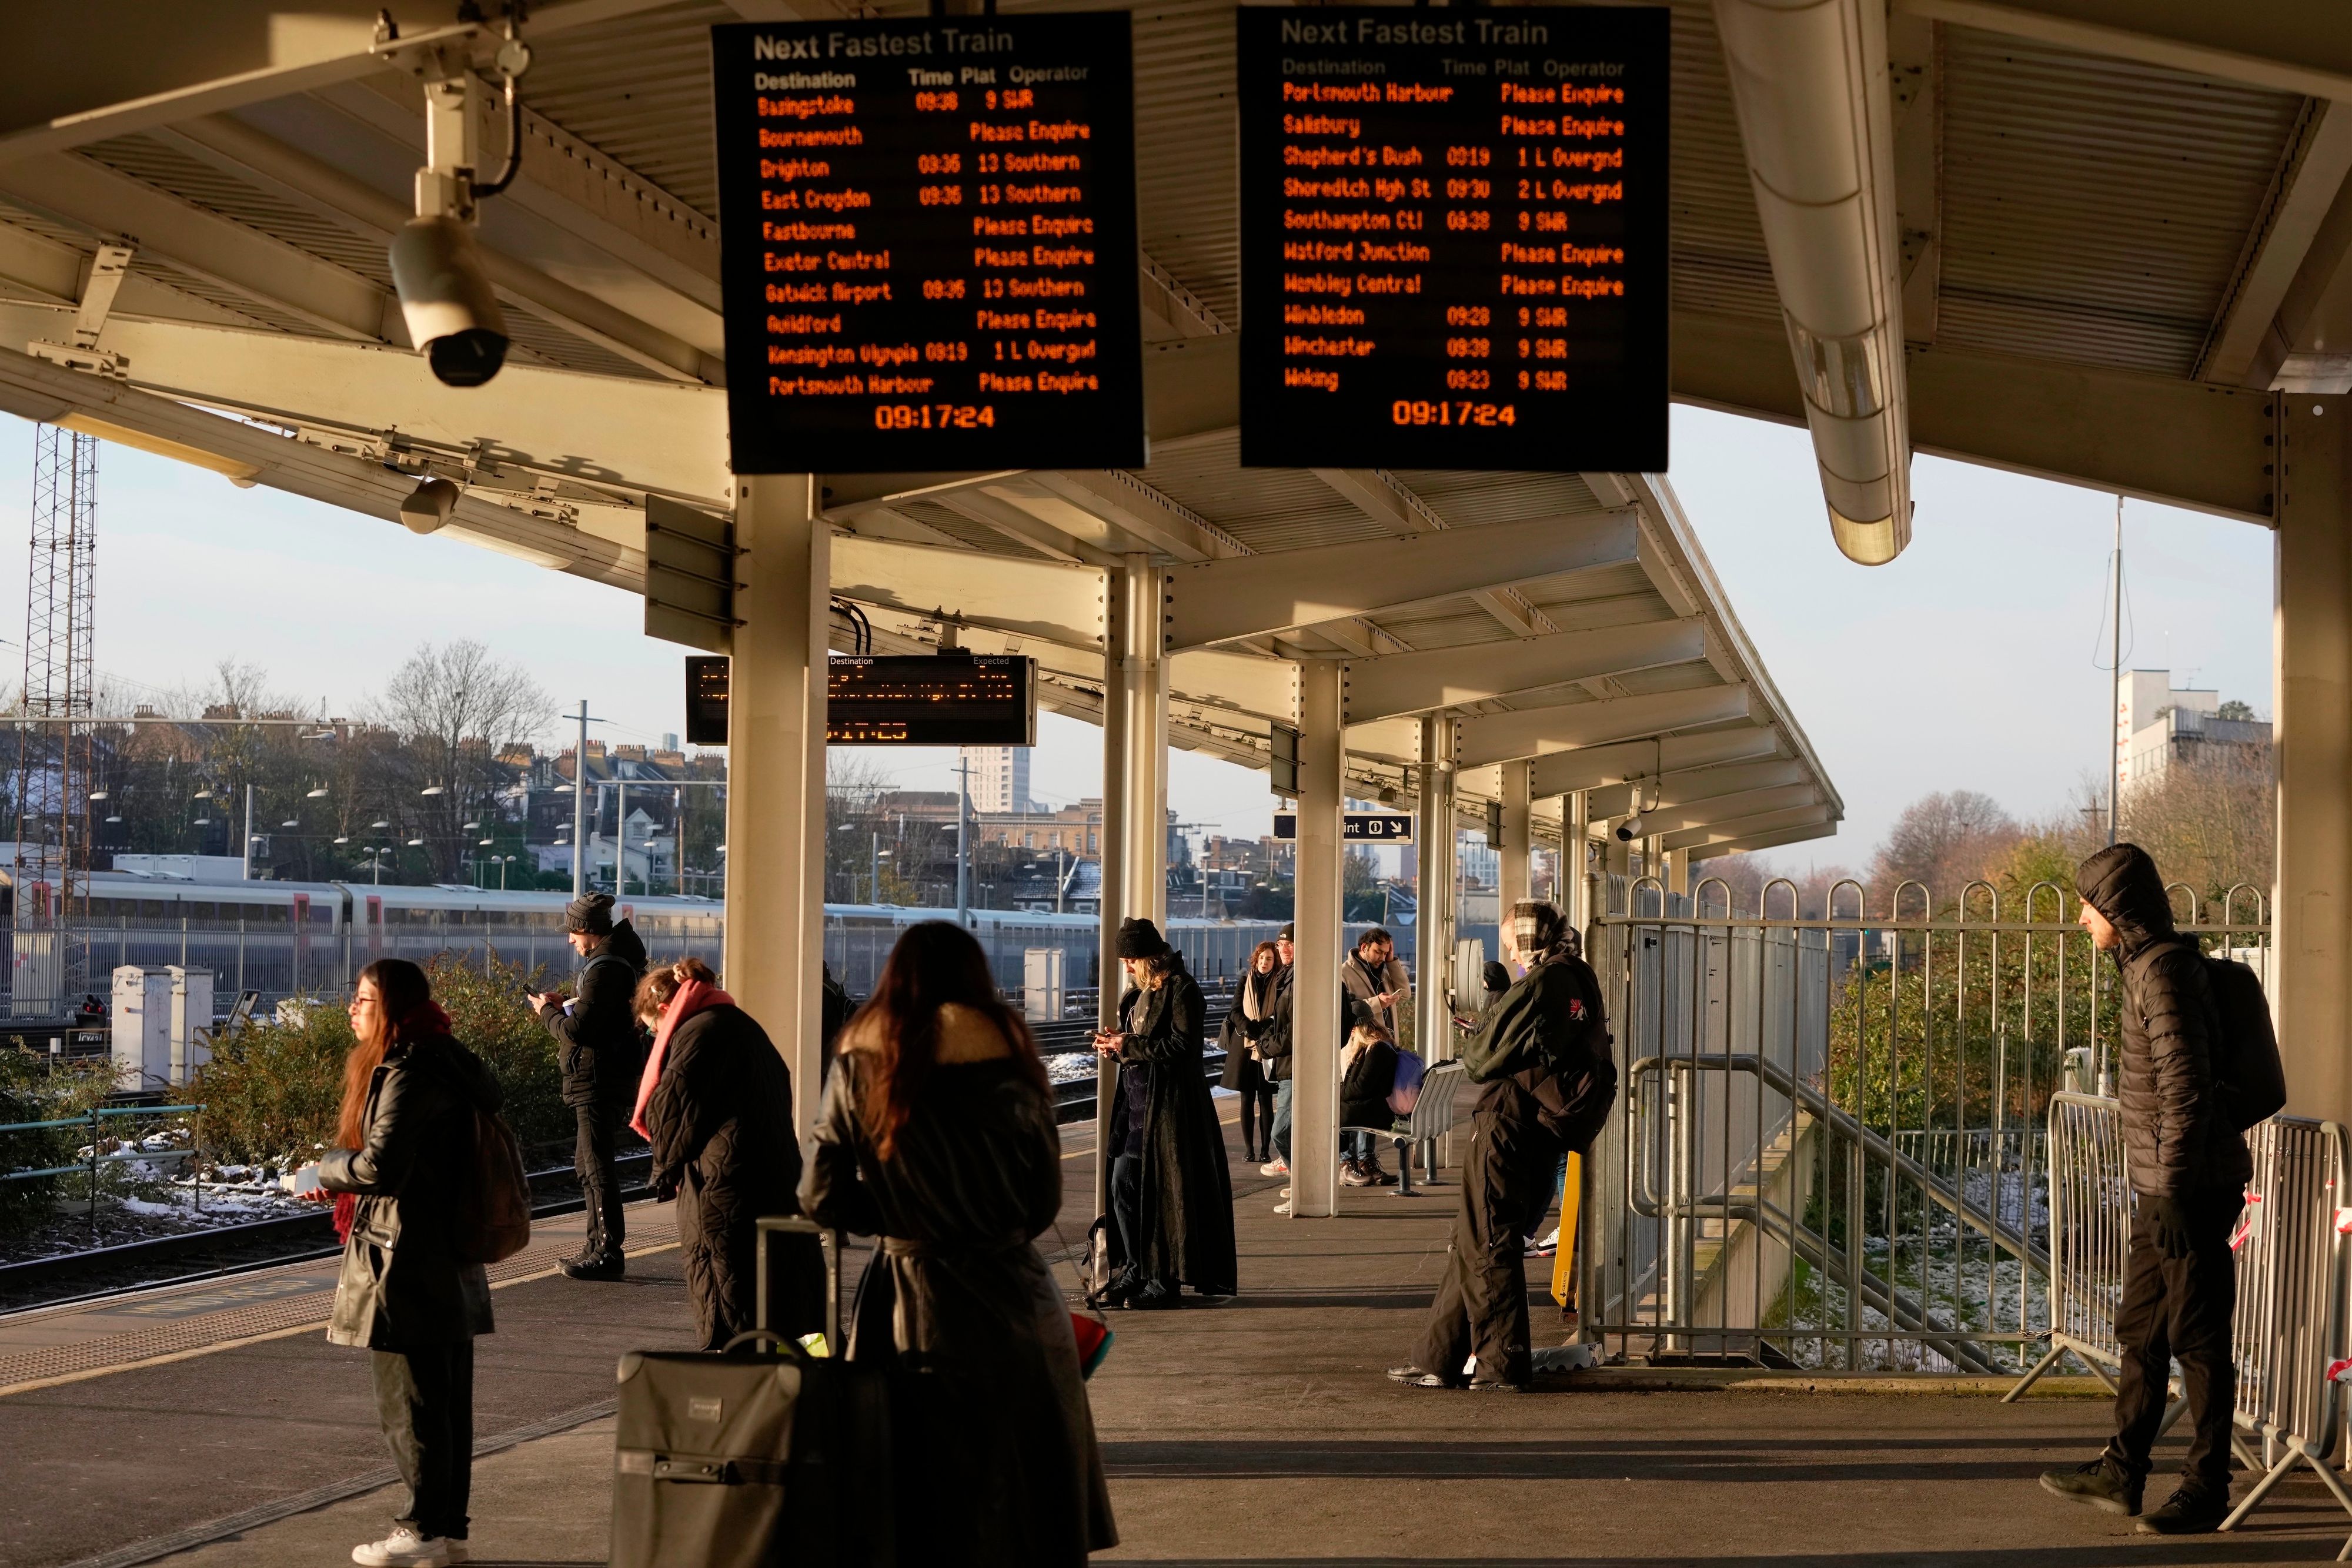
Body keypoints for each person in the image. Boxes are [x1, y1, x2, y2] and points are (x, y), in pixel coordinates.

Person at [803, 920, 1117, 1567]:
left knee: (915, 1488)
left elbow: (819, 1197)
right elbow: (1041, 1202)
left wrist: (899, 1215)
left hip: (909, 1305)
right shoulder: (1010, 1053)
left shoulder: (863, 1061)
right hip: (1016, 1298)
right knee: (1026, 1490)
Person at [2039, 843, 2252, 1534]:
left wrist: (2169, 1192)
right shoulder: (2144, 968)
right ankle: (2122, 1470)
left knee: (2196, 1337)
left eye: (2087, 907)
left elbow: (2183, 1091)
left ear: (2117, 909)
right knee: (2141, 1330)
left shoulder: (2160, 974)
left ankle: (2206, 1487)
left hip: (2186, 1187)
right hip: (2164, 1184)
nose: (2080, 921)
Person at [1389, 901, 1614, 1392]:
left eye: (1512, 942)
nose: (1510, 952)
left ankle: (1500, 1362)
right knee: (1473, 1236)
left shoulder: (1538, 983)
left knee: (1490, 1239)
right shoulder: (1580, 973)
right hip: (1547, 1125)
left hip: (1508, 1120)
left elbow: (1479, 1058)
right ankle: (1438, 1355)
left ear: (1529, 939)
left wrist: (1485, 1029)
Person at [318, 958, 499, 1568]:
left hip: (404, 1257)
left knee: (410, 1405)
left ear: (390, 1009)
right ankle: (445, 1527)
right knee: (445, 1402)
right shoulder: (446, 1060)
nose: (353, 1008)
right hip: (446, 1253)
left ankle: (421, 1528)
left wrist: (322, 1170)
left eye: (364, 998)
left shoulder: (407, 1070)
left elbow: (380, 1167)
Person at [632, 957, 822, 1351]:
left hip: (728, 1190)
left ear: (666, 1011)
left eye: (654, 1029)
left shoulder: (699, 1033)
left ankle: (748, 1393)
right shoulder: (742, 1025)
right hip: (777, 1182)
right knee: (787, 1304)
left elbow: (669, 1116)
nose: (656, 1041)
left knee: (738, 1311)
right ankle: (798, 1390)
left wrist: (665, 1165)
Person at [1093, 918, 1238, 1305]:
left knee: (1159, 1195)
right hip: (1135, 1107)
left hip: (1169, 1109)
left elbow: (1183, 1048)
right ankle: (1139, 1270)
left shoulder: (1183, 990)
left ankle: (1162, 1279)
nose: (1125, 965)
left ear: (1147, 957)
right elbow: (1139, 1048)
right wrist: (1116, 1048)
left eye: (1129, 958)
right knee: (1124, 1187)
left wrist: (1130, 1045)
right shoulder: (1135, 995)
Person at [530, 892, 647, 1281]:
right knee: (587, 1164)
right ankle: (596, 1244)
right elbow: (597, 1015)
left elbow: (578, 1029)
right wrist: (568, 1002)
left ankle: (608, 1250)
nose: (569, 940)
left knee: (596, 1165)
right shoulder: (612, 963)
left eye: (572, 932)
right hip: (601, 1075)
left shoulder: (604, 968)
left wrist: (546, 1011)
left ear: (588, 930)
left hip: (597, 1077)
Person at [1217, 941, 1282, 1164]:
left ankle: (1265, 1150)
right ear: (1256, 959)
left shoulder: (1280, 982)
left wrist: (1264, 1027)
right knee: (1246, 1099)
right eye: (1262, 958)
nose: (1265, 962)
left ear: (1276, 962)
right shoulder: (1245, 981)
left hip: (1266, 1045)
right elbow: (1235, 1010)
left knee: (1265, 1099)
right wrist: (1248, 1027)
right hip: (1244, 1047)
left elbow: (1281, 1013)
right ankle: (1249, 1149)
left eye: (1270, 959)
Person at [1338, 1021, 1402, 1188]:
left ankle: (1347, 1163)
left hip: (1375, 1111)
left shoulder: (1375, 1050)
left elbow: (1362, 1087)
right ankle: (1363, 1162)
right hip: (1379, 1109)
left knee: (1338, 1110)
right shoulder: (1382, 1046)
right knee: (1348, 1107)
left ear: (1359, 1030)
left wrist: (1338, 1094)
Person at [1258, 924, 1298, 1178]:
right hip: (1287, 1066)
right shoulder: (1285, 977)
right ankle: (1299, 1181)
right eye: (1281, 944)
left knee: (1280, 1132)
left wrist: (1266, 1047)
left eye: (1290, 944)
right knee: (1290, 1130)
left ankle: (1299, 1175)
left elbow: (1296, 1030)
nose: (1283, 948)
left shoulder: (1298, 979)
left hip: (1294, 1065)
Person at [1341, 926, 1412, 1037]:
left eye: (1385, 953)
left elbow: (1406, 994)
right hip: (1361, 1049)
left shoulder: (1383, 972)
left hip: (1388, 1046)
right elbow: (1342, 1011)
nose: (1382, 958)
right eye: (1378, 952)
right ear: (1365, 947)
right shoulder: (1343, 973)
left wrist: (1391, 961)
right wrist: (1377, 1003)